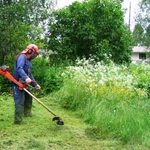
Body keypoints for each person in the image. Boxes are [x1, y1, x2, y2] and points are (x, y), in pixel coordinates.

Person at [12, 44, 41, 124]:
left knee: (28, 99)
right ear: (30, 51)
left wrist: (35, 84)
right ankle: (18, 120)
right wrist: (26, 78)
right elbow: (19, 68)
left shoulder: (28, 61)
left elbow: (30, 74)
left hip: (25, 83)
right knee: (19, 101)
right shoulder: (22, 57)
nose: (35, 55)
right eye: (35, 53)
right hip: (18, 83)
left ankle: (27, 114)